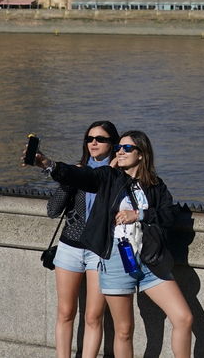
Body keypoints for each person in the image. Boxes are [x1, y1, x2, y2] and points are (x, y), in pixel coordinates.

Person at [30, 130, 194, 358]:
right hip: (116, 260)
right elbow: (81, 176)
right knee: (124, 330)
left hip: (149, 261)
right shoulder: (109, 177)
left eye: (127, 148)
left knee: (184, 318)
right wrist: (48, 164)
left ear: (141, 154)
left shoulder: (155, 185)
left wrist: (138, 215)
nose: (120, 151)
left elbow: (168, 215)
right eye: (118, 147)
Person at [46, 120, 119, 358]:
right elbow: (53, 210)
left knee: (93, 316)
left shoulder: (118, 176)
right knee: (66, 312)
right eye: (89, 139)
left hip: (99, 249)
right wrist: (70, 178)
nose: (94, 143)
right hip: (70, 248)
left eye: (100, 139)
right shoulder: (77, 172)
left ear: (112, 143)